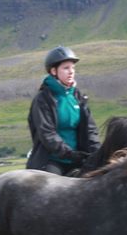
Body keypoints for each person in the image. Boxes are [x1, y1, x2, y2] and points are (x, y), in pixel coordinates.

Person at [26, 46, 100, 175]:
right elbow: (47, 134)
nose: (71, 72)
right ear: (54, 71)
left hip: (79, 158)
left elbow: (90, 130)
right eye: (66, 68)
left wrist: (97, 153)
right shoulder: (43, 99)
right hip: (52, 160)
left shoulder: (78, 96)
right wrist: (70, 154)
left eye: (73, 68)